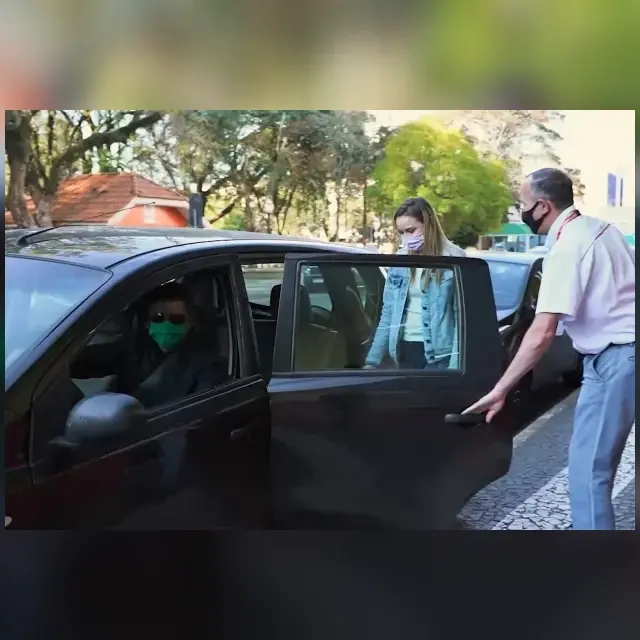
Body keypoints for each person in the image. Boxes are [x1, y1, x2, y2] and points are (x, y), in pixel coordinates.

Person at [463, 168, 635, 530]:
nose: (521, 211)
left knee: (589, 474)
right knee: (590, 468)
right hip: (616, 357)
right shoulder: (603, 230)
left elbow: (542, 332)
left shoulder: (567, 248)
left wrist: (500, 390)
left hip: (616, 358)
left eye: (523, 204)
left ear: (542, 206)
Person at [72, 281, 228, 407]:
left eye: (177, 319)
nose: (167, 325)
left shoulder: (208, 362)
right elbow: (82, 362)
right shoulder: (134, 348)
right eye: (158, 317)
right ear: (147, 323)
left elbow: (201, 409)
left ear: (190, 323)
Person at [364, 197, 466, 370]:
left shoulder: (454, 258)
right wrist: (372, 361)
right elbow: (388, 313)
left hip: (440, 355)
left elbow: (461, 319)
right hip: (404, 350)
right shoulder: (400, 260)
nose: (406, 239)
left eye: (411, 230)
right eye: (401, 233)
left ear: (429, 224)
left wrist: (455, 366)